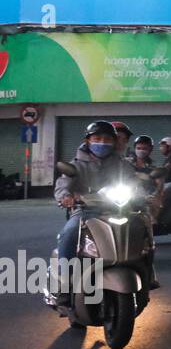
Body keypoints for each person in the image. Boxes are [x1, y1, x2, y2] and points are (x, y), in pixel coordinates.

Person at [51, 121, 133, 303]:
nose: (102, 143)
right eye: (97, 138)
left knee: (141, 228)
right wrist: (65, 196)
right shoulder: (77, 165)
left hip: (118, 210)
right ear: (88, 141)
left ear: (114, 142)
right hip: (85, 212)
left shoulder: (122, 165)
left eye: (107, 139)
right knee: (70, 233)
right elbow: (63, 184)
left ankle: (147, 273)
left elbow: (135, 183)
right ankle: (65, 284)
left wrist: (145, 192)